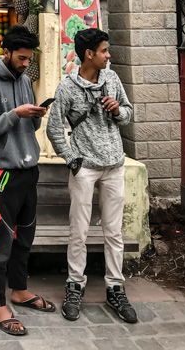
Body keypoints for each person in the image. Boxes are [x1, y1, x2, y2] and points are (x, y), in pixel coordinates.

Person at [47, 28, 137, 324]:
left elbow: (128, 113)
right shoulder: (67, 87)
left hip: (114, 165)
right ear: (89, 54)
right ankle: (75, 286)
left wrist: (118, 111)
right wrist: (71, 159)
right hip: (84, 168)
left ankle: (115, 288)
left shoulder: (112, 78)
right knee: (79, 231)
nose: (108, 55)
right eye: (104, 51)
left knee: (114, 232)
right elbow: (53, 127)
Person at [0, 25, 54, 338]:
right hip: (5, 173)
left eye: (29, 58)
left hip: (29, 169)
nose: (25, 63)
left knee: (24, 237)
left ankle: (19, 290)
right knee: (0, 240)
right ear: (6, 52)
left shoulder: (24, 80)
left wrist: (35, 115)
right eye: (21, 58)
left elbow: (29, 127)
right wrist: (15, 114)